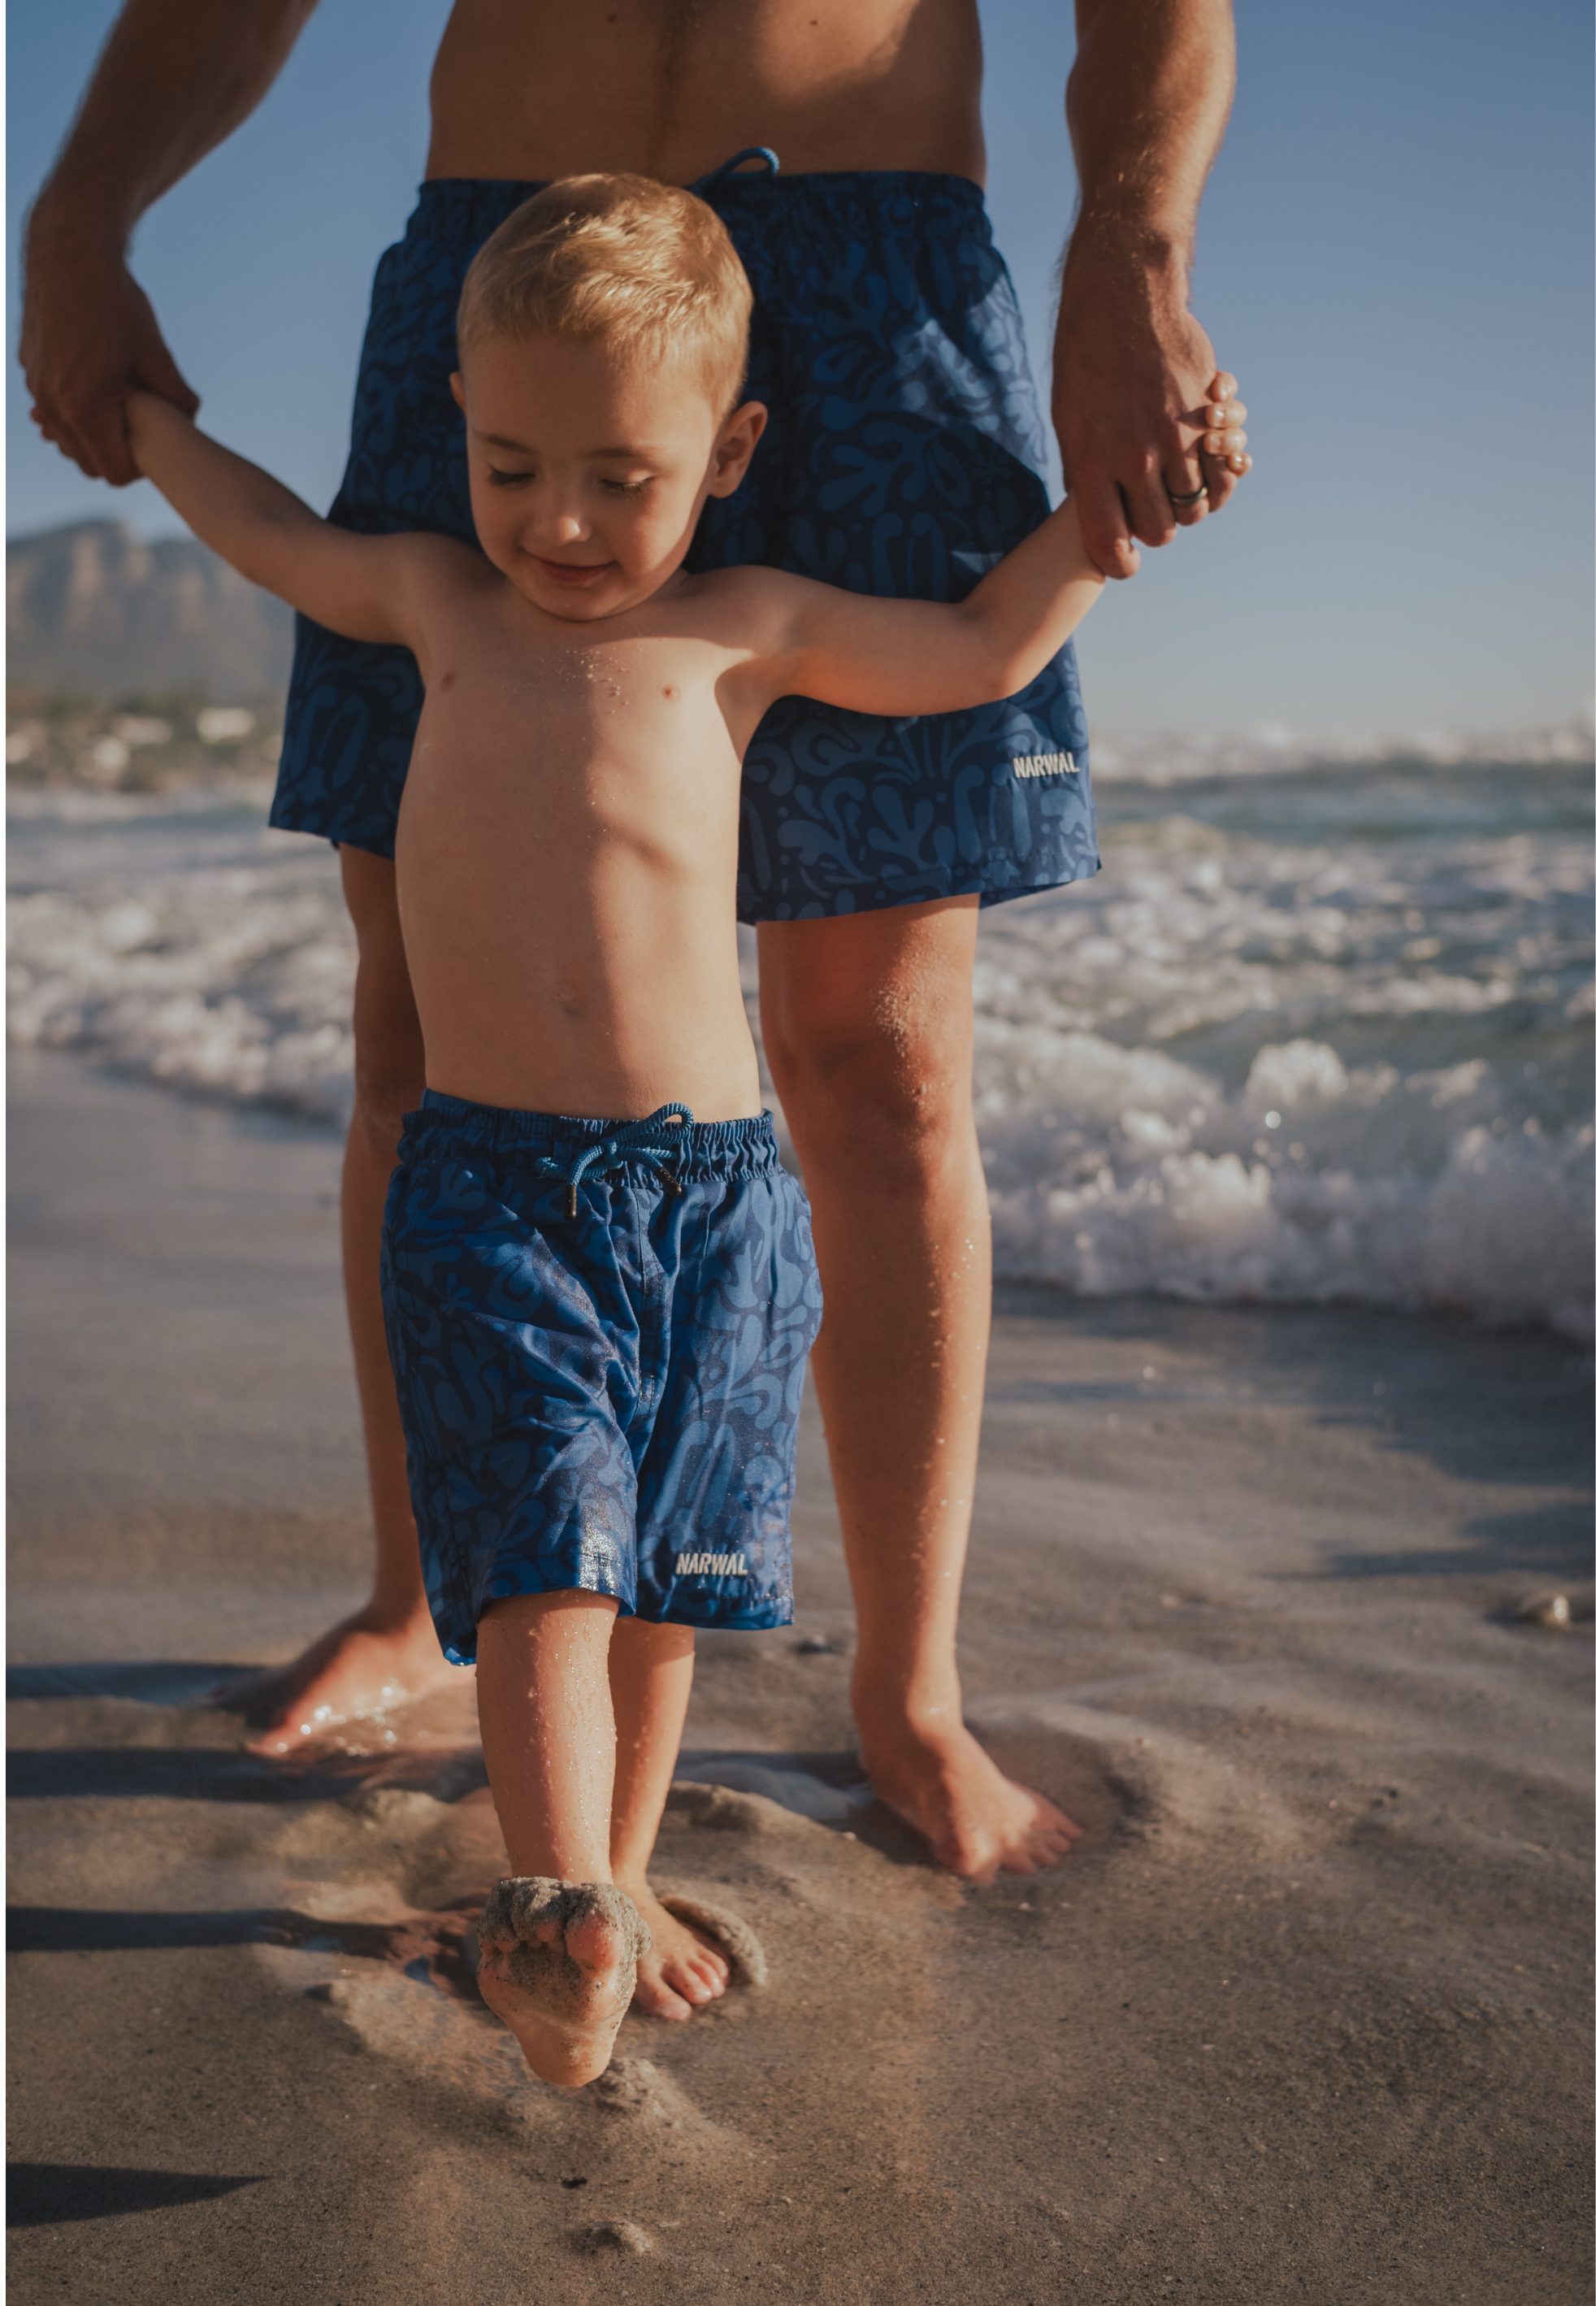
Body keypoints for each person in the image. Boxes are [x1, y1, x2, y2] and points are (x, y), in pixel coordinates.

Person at [21, 0, 1250, 1889]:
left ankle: (907, 1697)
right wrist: (82, 213)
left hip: (871, 253)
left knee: (882, 1059)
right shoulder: (484, 497)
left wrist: (1133, 246)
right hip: (499, 261)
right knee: (426, 1035)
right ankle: (422, 1598)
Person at [116, 171, 1135, 2080]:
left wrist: (1101, 528)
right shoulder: (430, 598)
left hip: (724, 1198)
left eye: (615, 474)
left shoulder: (751, 627)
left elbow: (981, 650)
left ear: (730, 450)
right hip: (497, 1189)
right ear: (458, 432)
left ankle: (624, 1875)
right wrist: (147, 422)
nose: (558, 524)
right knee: (541, 1563)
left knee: (667, 1574)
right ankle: (550, 1897)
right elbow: (265, 529)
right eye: (508, 467)